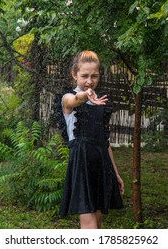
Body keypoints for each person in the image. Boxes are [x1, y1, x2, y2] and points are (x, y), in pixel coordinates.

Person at [58, 50, 124, 229]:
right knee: (90, 226)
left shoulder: (101, 102)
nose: (90, 81)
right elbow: (74, 100)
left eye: (94, 76)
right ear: (74, 74)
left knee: (98, 220)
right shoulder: (68, 98)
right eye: (84, 76)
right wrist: (86, 95)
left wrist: (115, 173)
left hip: (101, 165)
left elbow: (105, 141)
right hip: (82, 165)